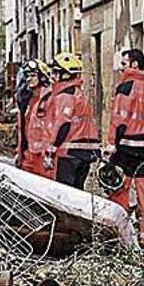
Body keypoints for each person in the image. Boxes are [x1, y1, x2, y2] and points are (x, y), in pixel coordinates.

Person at [105, 49, 144, 249]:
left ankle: (119, 238)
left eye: (123, 64)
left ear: (133, 65)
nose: (120, 69)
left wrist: (111, 145)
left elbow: (118, 120)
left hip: (126, 148)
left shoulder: (125, 87)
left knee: (118, 190)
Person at [42, 52, 99, 189]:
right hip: (84, 152)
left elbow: (63, 124)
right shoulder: (79, 94)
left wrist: (52, 148)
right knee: (78, 191)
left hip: (69, 153)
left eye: (56, 73)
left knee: (66, 193)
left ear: (65, 75)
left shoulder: (65, 97)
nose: (53, 77)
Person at [15, 59, 52, 176]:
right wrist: (19, 152)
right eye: (27, 76)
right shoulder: (27, 100)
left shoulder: (50, 99)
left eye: (33, 75)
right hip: (29, 154)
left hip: (43, 155)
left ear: (41, 77)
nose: (29, 79)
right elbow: (23, 128)